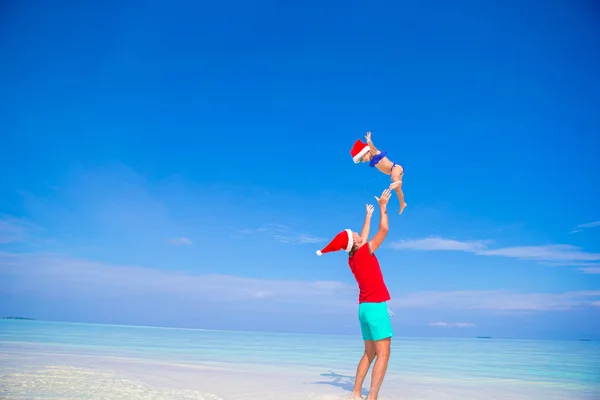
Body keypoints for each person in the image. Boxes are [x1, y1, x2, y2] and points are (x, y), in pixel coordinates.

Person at [316, 188, 393, 400]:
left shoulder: (353, 258)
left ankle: (356, 393)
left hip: (363, 309)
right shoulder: (365, 252)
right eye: (356, 235)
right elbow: (384, 229)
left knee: (369, 353)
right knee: (383, 355)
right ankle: (373, 397)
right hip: (376, 306)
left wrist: (367, 216)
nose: (360, 235)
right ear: (356, 243)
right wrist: (382, 208)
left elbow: (364, 235)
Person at [349, 131, 407, 214]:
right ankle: (402, 204)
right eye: (360, 161)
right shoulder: (373, 160)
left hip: (395, 168)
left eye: (361, 159)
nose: (363, 161)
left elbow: (372, 148)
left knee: (394, 178)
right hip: (393, 172)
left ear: (366, 152)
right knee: (398, 191)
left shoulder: (374, 153)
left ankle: (398, 182)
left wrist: (369, 141)